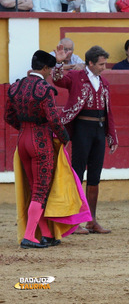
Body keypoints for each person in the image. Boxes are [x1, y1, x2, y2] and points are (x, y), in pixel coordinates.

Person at [5, 50, 71, 248]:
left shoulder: (15, 87)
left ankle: (47, 234)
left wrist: (24, 129)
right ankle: (29, 237)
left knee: (35, 189)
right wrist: (64, 138)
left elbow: (8, 117)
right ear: (44, 68)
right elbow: (53, 119)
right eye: (50, 70)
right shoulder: (44, 89)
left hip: (22, 141)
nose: (50, 73)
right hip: (40, 142)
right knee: (41, 190)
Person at [52, 45, 118, 235]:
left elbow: (109, 111)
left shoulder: (104, 82)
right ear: (90, 63)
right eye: (100, 64)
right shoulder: (75, 77)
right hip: (82, 129)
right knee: (77, 174)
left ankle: (91, 221)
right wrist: (59, 62)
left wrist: (111, 135)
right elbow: (57, 80)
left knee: (95, 177)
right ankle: (74, 221)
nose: (103, 68)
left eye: (105, 64)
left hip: (98, 129)